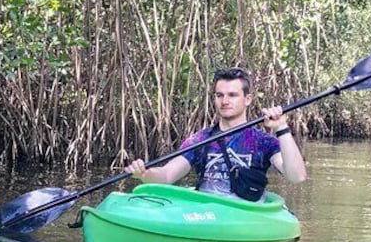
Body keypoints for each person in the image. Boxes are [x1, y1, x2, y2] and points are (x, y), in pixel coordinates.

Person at [124, 67, 306, 196]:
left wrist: (281, 127)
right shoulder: (199, 140)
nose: (225, 101)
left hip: (245, 214)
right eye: (220, 95)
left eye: (232, 95)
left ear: (248, 99)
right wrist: (144, 174)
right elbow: (167, 175)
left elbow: (297, 176)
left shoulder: (263, 142)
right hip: (207, 214)